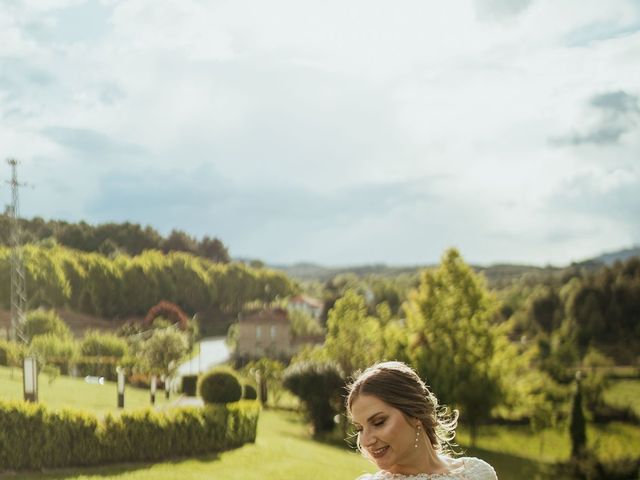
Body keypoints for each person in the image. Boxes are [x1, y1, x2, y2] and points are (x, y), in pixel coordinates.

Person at [347, 361, 498, 479]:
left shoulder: (478, 473)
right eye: (359, 428)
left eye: (379, 422)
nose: (366, 441)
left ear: (415, 414)